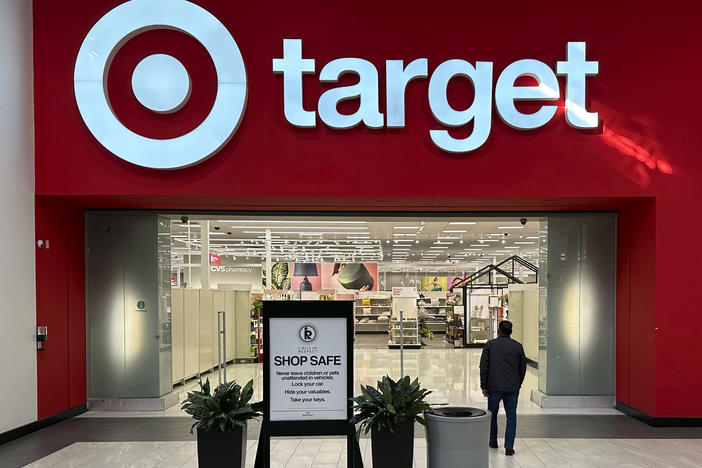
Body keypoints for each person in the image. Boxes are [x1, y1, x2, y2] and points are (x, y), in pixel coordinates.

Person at [479, 320, 526, 456]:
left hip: (494, 387)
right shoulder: (518, 347)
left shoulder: (490, 345)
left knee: (492, 414)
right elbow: (522, 368)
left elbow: (484, 367)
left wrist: (484, 386)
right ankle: (509, 447)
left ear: (498, 330)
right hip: (512, 387)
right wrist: (518, 383)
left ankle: (493, 440)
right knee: (511, 416)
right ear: (511, 331)